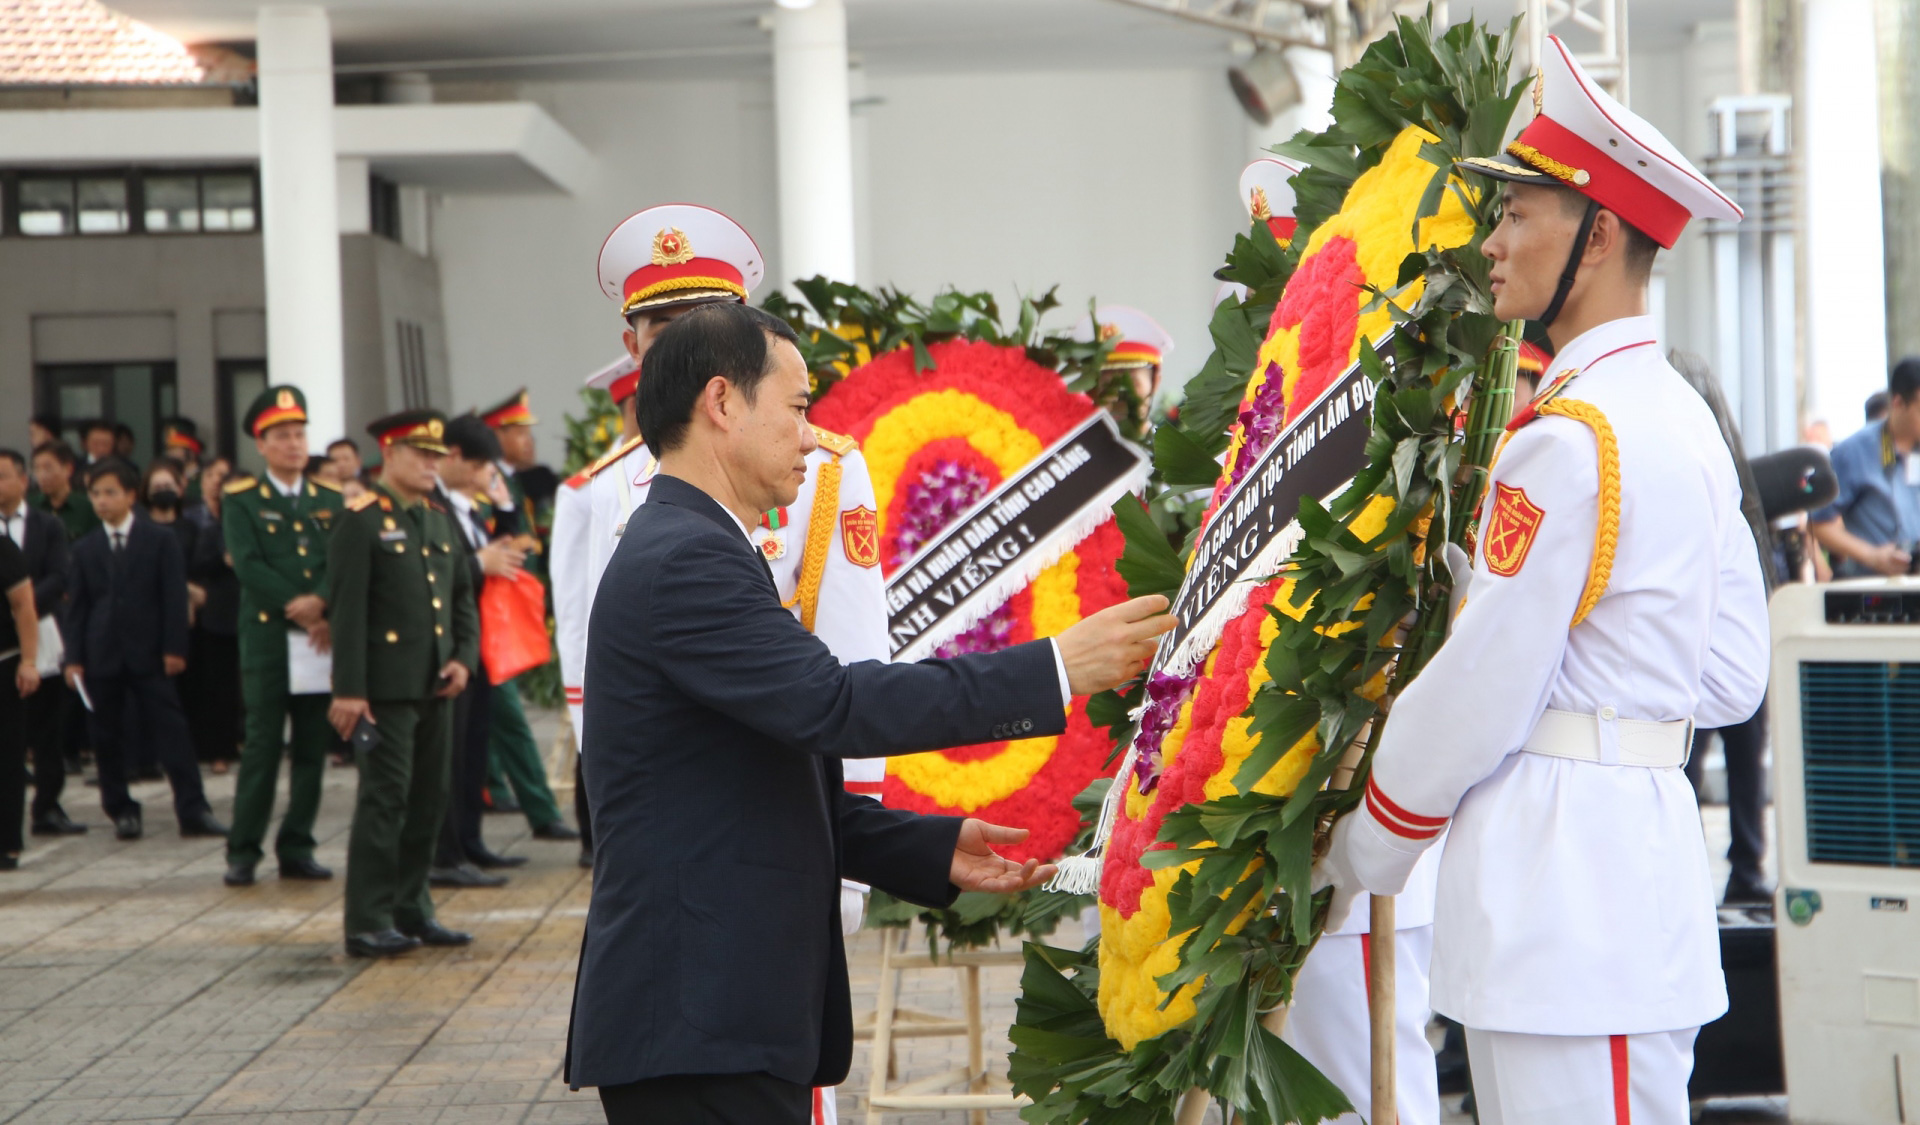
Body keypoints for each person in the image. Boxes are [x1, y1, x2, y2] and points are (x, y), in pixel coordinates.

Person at [564, 301, 1174, 1122]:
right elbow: (836, 702)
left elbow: (749, 778)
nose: (811, 435)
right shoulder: (685, 560)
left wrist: (924, 846)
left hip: (718, 1010)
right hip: (697, 1012)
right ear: (721, 403)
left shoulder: (698, 544)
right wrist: (1057, 666)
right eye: (797, 407)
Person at [1324, 36, 1769, 1125]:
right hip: (1612, 873)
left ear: (1601, 234)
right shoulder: (1676, 416)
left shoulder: (1573, 437)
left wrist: (1367, 841)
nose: (1495, 241)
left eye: (1520, 213)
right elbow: (1729, 679)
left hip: (1573, 899)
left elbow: (1483, 690)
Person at [552, 203, 776, 871]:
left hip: (785, 775)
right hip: (666, 793)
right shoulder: (606, 486)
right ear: (632, 348)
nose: (686, 347)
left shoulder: (817, 466)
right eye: (664, 329)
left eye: (706, 324)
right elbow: (586, 631)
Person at [328, 410, 480, 958]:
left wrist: (464, 657)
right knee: (385, 801)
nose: (431, 465)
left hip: (436, 683)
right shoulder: (361, 519)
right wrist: (349, 690)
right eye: (420, 454)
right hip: (383, 689)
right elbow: (347, 612)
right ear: (388, 453)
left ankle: (414, 909)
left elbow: (462, 596)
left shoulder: (436, 518)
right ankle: (368, 917)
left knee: (427, 800)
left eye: (437, 456)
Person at [64, 459, 228, 842]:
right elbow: (78, 608)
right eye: (95, 494)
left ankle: (193, 809)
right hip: (101, 653)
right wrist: (73, 658)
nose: (102, 501)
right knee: (106, 736)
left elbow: (173, 597)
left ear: (130, 495)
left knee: (172, 731)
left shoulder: (159, 540)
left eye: (110, 492)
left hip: (150, 652)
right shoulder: (86, 547)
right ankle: (121, 809)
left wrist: (175, 647)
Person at [220, 387, 341, 887]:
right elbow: (248, 566)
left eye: (299, 433)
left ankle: (297, 845)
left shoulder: (330, 499)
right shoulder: (243, 501)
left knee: (313, 748)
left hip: (318, 641)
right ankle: (243, 850)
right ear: (261, 445)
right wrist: (302, 606)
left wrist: (323, 601)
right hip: (271, 638)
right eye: (282, 436)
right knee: (264, 745)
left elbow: (342, 561)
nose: (294, 444)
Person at [1670, 350, 1777, 906]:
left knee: (1731, 750)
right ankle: (1733, 867)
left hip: (1721, 636)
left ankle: (1744, 867)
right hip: (1712, 639)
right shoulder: (1705, 462)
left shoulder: (1713, 466)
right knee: (1697, 755)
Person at [428, 415, 528, 887]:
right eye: (479, 465)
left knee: (471, 751)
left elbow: (499, 553)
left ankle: (469, 842)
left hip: (476, 646)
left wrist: (506, 510)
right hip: (444, 647)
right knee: (447, 757)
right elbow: (431, 574)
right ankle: (445, 853)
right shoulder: (433, 507)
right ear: (452, 458)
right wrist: (477, 563)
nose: (485, 475)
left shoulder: (467, 509)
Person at [0, 450, 82, 835]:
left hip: (41, 628)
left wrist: (23, 601)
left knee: (47, 724)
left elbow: (60, 574)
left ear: (22, 481)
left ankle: (47, 805)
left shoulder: (46, 525)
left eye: (3, 476)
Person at [1809, 357, 1920, 577]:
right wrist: (1872, 556)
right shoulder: (1855, 452)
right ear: (1898, 403)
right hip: (1878, 592)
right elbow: (1819, 521)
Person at [184, 455, 242, 775]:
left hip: (250, 610)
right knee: (217, 687)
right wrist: (223, 559)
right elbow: (196, 565)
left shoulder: (256, 524)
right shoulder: (207, 526)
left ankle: (236, 743)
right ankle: (218, 750)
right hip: (217, 614)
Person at [0, 529, 42, 871]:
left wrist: (29, 661)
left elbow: (24, 605)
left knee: (7, 757)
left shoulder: (3, 546)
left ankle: (7, 843)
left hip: (4, 662)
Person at [1070, 305, 1172, 441]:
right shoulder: (1076, 453)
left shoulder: (1172, 459)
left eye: (1132, 383)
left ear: (1155, 383)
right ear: (1091, 391)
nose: (1120, 396)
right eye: (1108, 385)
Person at [32, 443, 99, 543]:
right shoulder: (30, 506)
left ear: (68, 469)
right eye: (37, 469)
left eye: (48, 468)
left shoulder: (88, 507)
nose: (42, 476)